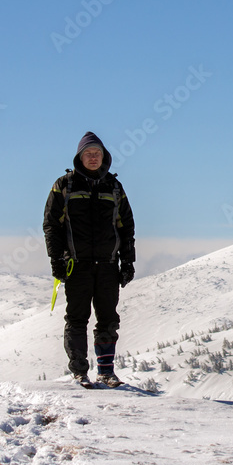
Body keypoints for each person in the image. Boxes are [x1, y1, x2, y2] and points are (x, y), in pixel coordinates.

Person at [43, 131, 135, 387]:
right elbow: (51, 225)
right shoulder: (64, 185)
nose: (93, 158)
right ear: (79, 157)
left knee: (108, 319)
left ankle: (106, 372)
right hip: (76, 266)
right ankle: (80, 372)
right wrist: (56, 260)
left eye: (97, 154)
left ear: (104, 157)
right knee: (76, 319)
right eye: (88, 154)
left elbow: (127, 226)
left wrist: (128, 262)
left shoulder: (114, 187)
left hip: (107, 266)